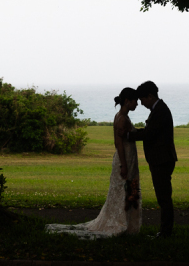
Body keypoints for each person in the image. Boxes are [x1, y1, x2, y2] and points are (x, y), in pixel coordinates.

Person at [45, 87, 142, 239]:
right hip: (125, 159)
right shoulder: (122, 118)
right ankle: (121, 222)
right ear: (127, 101)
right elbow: (119, 144)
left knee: (125, 190)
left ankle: (125, 221)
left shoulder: (120, 116)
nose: (137, 103)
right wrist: (123, 164)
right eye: (135, 100)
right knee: (125, 190)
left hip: (127, 158)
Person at [127, 81, 177, 238]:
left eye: (142, 99)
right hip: (160, 159)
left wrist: (129, 135)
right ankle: (165, 230)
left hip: (161, 160)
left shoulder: (160, 111)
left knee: (164, 197)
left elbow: (149, 134)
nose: (141, 103)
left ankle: (165, 232)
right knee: (163, 196)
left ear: (150, 96)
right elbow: (150, 131)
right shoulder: (159, 109)